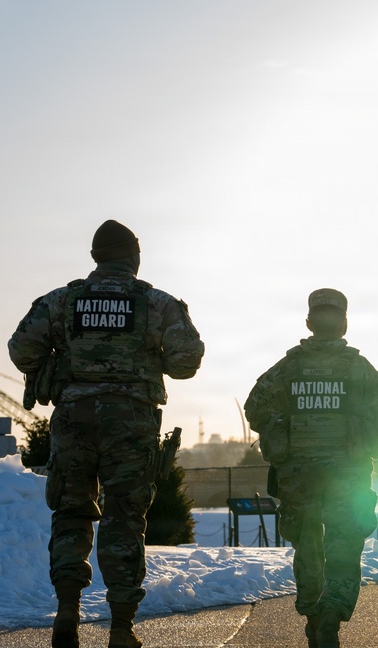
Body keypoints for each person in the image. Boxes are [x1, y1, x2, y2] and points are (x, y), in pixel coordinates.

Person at [7, 220, 205, 648]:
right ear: (134, 257)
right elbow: (186, 361)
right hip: (130, 423)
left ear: (96, 256)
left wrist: (62, 362)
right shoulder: (156, 302)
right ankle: (120, 628)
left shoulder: (61, 300)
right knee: (124, 518)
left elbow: (21, 349)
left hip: (73, 420)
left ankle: (66, 612)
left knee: (71, 513)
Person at [244, 288, 378, 648]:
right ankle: (332, 613)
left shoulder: (288, 368)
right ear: (344, 323)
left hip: (298, 479)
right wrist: (358, 425)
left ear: (309, 322)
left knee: (309, 547)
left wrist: (286, 424)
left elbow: (255, 409)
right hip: (347, 476)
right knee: (344, 545)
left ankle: (314, 617)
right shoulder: (358, 368)